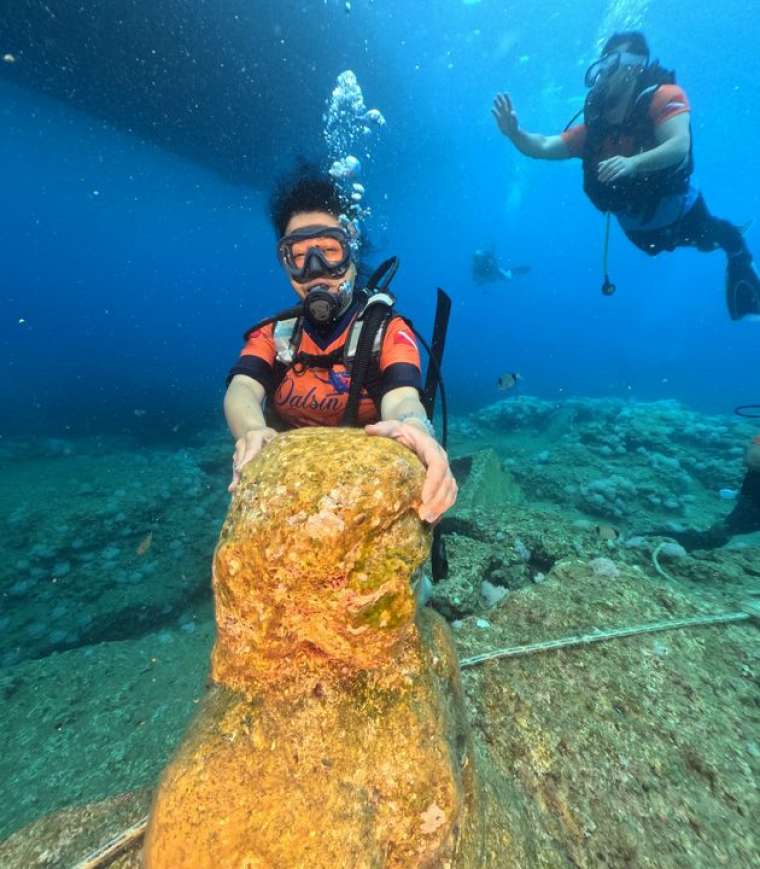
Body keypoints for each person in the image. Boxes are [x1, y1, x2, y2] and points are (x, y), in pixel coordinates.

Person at [223, 166, 457, 525]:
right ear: (284, 263)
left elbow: (403, 398)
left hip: (369, 501)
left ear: (351, 255)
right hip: (285, 492)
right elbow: (242, 389)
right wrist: (251, 431)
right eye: (298, 255)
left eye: (329, 250)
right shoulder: (275, 334)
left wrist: (414, 428)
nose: (314, 269)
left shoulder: (387, 332)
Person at [492, 31, 760, 320]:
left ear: (634, 64)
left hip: (682, 210)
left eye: (610, 63)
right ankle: (712, 243)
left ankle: (740, 260)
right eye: (603, 63)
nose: (603, 72)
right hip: (639, 232)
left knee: (711, 236)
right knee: (671, 246)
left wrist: (634, 164)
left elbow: (679, 145)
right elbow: (544, 146)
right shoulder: (595, 128)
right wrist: (515, 134)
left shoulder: (665, 97)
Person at [651, 435, 760, 550]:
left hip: (753, 503)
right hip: (751, 498)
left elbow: (753, 458)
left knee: (720, 532)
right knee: (720, 533)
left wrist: (752, 445)